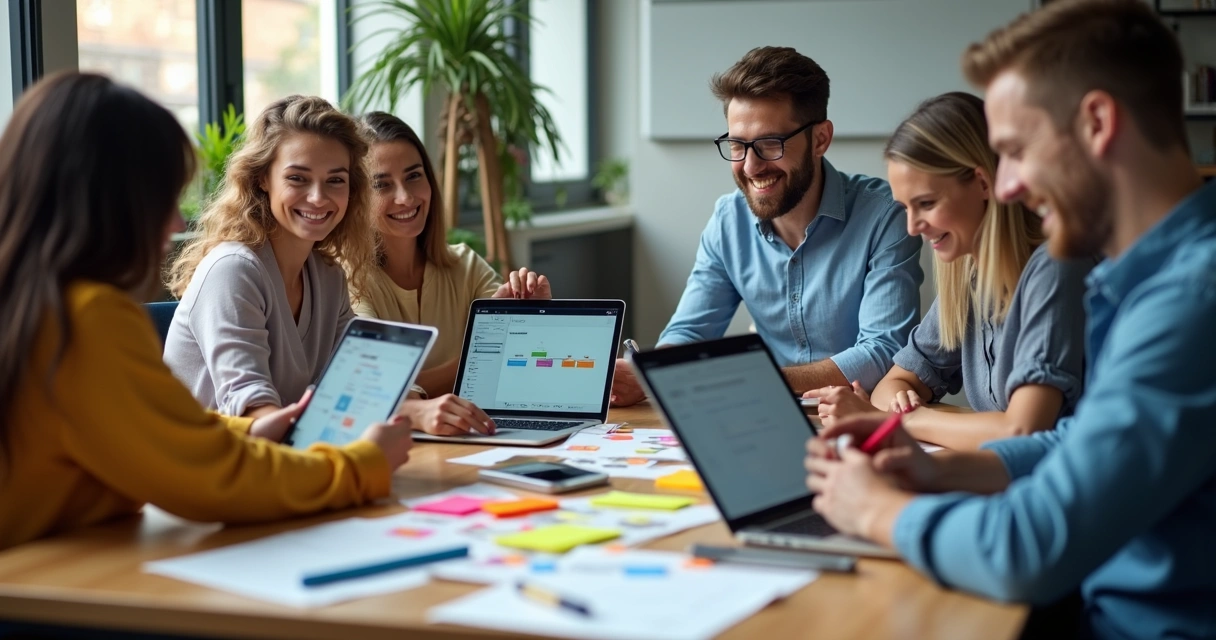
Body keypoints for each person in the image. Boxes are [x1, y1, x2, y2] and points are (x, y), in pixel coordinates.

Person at [805, 1, 1216, 638]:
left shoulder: (1189, 302)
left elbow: (1029, 549)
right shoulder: (1141, 278)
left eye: (1016, 151)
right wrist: (939, 469)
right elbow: (1083, 443)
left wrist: (878, 511)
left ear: (1098, 123)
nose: (1009, 186)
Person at [0, 72, 414, 552]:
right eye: (161, 197)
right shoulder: (87, 320)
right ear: (104, 198)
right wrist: (363, 467)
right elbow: (213, 480)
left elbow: (148, 428)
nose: (176, 221)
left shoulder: (41, 306)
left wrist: (246, 429)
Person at [610, 46, 923, 406]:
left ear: (820, 139)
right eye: (737, 145)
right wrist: (650, 371)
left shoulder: (885, 214)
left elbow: (884, 350)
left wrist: (751, 377)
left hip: (861, 418)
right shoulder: (728, 221)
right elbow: (690, 331)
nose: (749, 166)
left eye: (769, 144)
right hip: (765, 414)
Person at [807, 93, 1092, 450]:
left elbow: (1022, 431)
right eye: (905, 208)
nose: (913, 227)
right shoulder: (971, 275)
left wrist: (905, 419)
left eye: (926, 203)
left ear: (984, 184)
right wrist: (902, 413)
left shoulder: (1056, 268)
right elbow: (889, 388)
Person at [165, 95, 379, 420]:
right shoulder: (234, 270)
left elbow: (357, 379)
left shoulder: (327, 274)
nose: (318, 197)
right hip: (205, 465)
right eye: (297, 178)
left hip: (275, 457)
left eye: (335, 180)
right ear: (263, 178)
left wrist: (418, 411)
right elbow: (250, 410)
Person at [349, 112, 554, 436]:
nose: (405, 197)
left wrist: (534, 318)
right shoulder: (348, 279)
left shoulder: (465, 265)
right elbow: (381, 390)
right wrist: (484, 352)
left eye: (414, 176)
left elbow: (521, 365)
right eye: (382, 184)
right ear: (357, 196)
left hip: (478, 439)